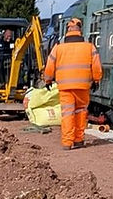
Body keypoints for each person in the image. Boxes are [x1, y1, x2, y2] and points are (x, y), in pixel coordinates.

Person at [43, 17, 102, 149]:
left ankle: (67, 142)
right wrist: (96, 80)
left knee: (67, 113)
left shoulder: (58, 47)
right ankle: (79, 139)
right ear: (80, 30)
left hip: (65, 87)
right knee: (81, 112)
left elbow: (49, 66)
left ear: (68, 29)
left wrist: (47, 80)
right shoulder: (89, 47)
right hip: (83, 87)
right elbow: (97, 66)